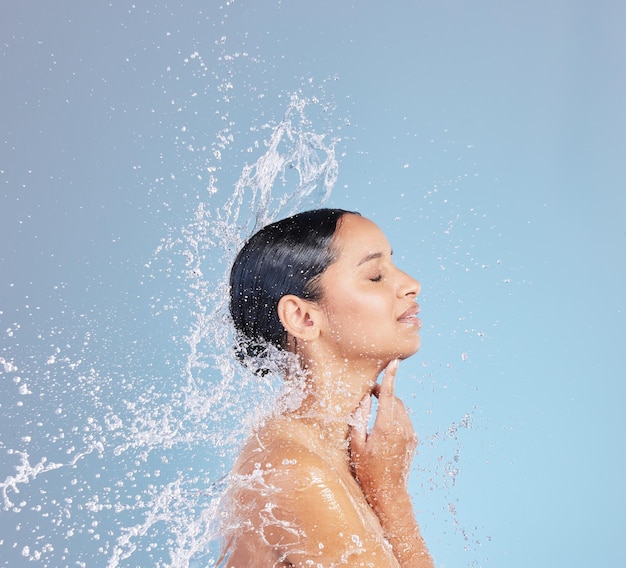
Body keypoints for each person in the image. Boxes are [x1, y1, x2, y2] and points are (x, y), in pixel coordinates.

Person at [219, 208, 434, 567]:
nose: (411, 283)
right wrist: (391, 497)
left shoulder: (330, 452)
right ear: (304, 317)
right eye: (376, 275)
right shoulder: (294, 470)